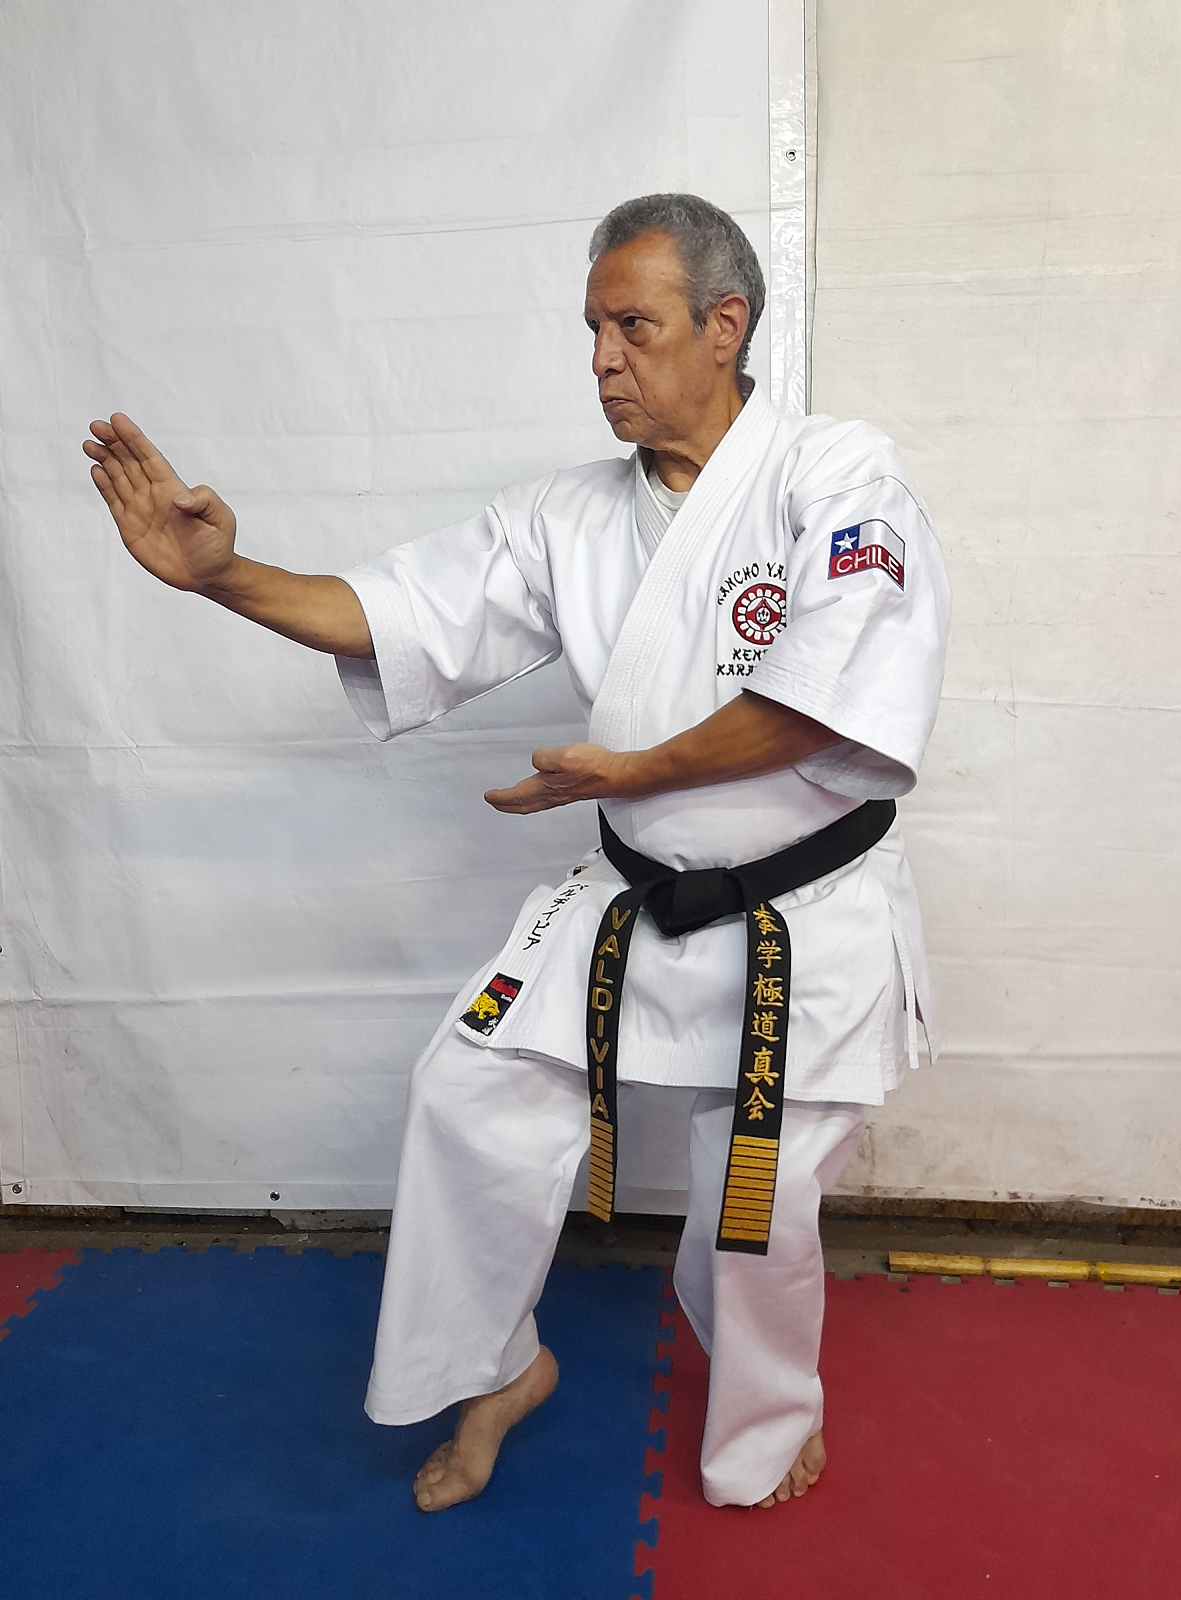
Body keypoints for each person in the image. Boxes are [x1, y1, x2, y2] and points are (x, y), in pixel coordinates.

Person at [83, 193, 950, 1513]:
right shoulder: (567, 518)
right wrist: (225, 576)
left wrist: (635, 769)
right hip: (637, 893)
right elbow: (393, 615)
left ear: (725, 326)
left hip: (804, 916)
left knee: (755, 1204)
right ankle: (497, 1368)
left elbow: (829, 702)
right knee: (467, 1095)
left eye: (633, 327)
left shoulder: (836, 478)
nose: (602, 359)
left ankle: (771, 1414)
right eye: (593, 328)